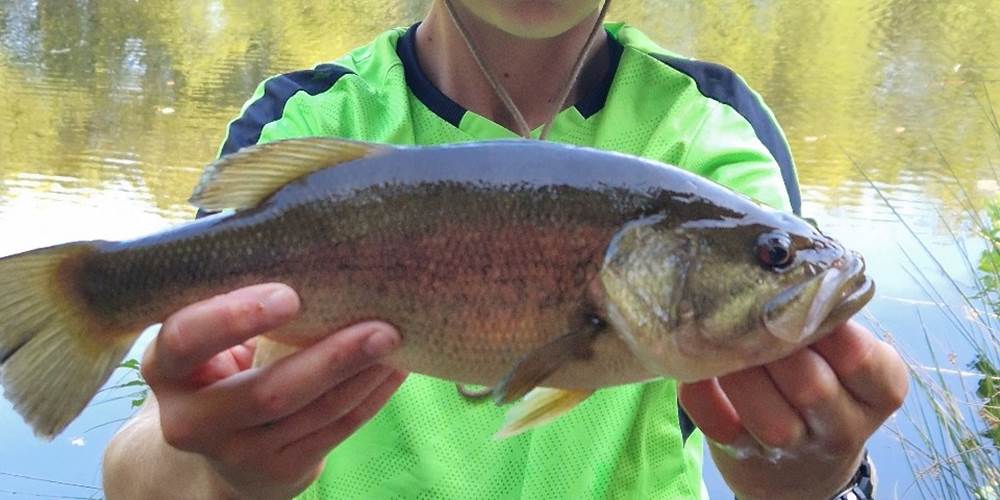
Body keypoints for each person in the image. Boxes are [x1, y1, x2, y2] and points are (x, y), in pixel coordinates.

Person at [102, 1, 909, 498]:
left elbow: (775, 458)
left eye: (772, 256)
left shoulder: (711, 136)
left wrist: (816, 480)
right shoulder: (305, 120)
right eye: (772, 257)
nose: (786, 266)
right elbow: (135, 469)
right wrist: (221, 477)